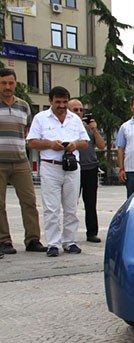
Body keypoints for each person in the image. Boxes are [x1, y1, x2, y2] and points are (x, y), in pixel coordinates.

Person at [27, 86, 89, 257]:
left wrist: (74, 145)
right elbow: (31, 142)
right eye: (58, 102)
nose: (61, 106)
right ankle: (53, 243)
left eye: (64, 102)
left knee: (71, 207)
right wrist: (50, 144)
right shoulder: (41, 118)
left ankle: (70, 241)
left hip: (71, 166)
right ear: (51, 101)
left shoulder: (74, 119)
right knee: (51, 208)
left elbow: (85, 142)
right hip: (50, 166)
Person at [0, 68, 47, 255]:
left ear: (15, 84)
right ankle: (4, 240)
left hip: (20, 161)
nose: (7, 87)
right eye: (3, 83)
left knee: (29, 201)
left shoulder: (24, 106)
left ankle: (33, 239)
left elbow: (27, 131)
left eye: (10, 83)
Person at [67, 99, 106, 243]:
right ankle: (69, 234)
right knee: (71, 203)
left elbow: (101, 145)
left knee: (91, 202)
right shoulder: (67, 126)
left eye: (81, 110)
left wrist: (94, 130)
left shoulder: (89, 128)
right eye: (75, 110)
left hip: (90, 167)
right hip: (74, 168)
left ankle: (92, 232)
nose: (79, 113)